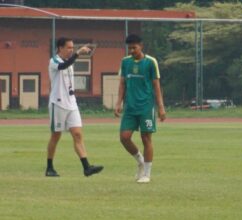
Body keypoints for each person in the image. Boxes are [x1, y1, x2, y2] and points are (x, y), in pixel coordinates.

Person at [45, 37, 104, 177]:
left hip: (71, 103)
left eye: (73, 47)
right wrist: (78, 53)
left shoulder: (70, 62)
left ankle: (86, 167)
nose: (71, 50)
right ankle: (49, 167)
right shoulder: (54, 61)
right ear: (60, 48)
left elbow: (68, 66)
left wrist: (76, 55)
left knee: (77, 134)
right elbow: (62, 67)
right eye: (69, 47)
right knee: (56, 135)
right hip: (57, 103)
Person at [114, 34, 166, 183]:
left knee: (146, 138)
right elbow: (122, 84)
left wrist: (161, 107)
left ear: (141, 46)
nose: (131, 50)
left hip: (146, 107)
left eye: (134, 47)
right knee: (124, 138)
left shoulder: (151, 62)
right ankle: (140, 161)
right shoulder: (125, 62)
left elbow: (156, 86)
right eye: (129, 48)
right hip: (130, 107)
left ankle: (147, 174)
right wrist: (118, 103)